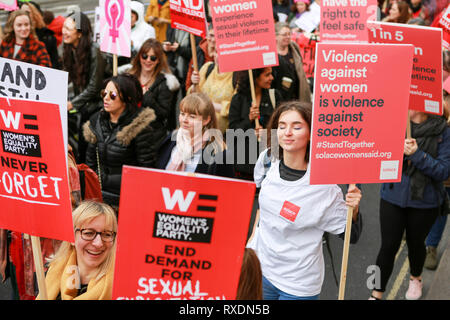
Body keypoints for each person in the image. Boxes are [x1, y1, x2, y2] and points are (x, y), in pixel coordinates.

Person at [247, 101, 362, 300]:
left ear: (311, 133)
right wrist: (251, 242)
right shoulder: (267, 160)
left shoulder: (324, 186)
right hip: (261, 270)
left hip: (298, 285)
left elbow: (352, 235)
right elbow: (262, 206)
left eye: (296, 127)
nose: (287, 132)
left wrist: (354, 209)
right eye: (282, 126)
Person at [370, 109, 450, 300]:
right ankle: (375, 293)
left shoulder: (443, 131)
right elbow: (378, 155)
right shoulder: (394, 123)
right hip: (392, 196)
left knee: (416, 244)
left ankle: (416, 278)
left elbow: (443, 171)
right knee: (388, 246)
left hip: (425, 201)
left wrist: (416, 154)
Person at [83, 74, 165, 208]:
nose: (106, 98)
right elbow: (90, 162)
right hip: (98, 197)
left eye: (113, 95)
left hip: (126, 200)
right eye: (104, 93)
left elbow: (145, 172)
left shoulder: (140, 128)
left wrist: (108, 180)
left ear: (127, 98)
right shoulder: (96, 120)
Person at [37, 201, 118, 300]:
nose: (98, 243)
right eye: (88, 233)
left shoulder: (122, 286)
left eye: (107, 234)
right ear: (72, 237)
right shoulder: (54, 272)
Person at [157, 92, 234, 178]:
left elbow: (227, 187)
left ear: (206, 120)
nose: (184, 120)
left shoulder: (219, 154)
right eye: (182, 114)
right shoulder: (171, 140)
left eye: (192, 116)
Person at [63, 11, 106, 163]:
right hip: (82, 107)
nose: (64, 32)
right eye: (64, 27)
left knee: (87, 149)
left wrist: (72, 103)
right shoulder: (69, 49)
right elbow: (66, 76)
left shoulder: (95, 51)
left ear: (80, 33)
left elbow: (94, 86)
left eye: (68, 28)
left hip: (96, 108)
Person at [229, 67, 282, 181]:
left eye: (271, 74)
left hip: (268, 164)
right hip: (243, 165)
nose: (271, 78)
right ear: (255, 78)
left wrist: (266, 133)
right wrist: (249, 120)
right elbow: (232, 133)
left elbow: (281, 126)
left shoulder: (274, 96)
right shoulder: (238, 99)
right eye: (267, 75)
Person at [128, 38, 180, 131]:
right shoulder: (129, 77)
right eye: (144, 56)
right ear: (139, 57)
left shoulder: (164, 83)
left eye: (153, 58)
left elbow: (163, 114)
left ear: (158, 60)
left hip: (150, 133)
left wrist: (147, 97)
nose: (148, 60)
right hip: (126, 128)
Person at [190, 50, 235, 134]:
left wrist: (208, 105)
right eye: (217, 52)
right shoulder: (207, 68)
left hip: (223, 136)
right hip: (198, 131)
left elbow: (235, 109)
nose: (219, 56)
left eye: (223, 52)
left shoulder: (237, 76)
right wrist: (193, 85)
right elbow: (193, 96)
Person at [272, 22, 312, 103]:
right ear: (275, 36)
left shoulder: (294, 47)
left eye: (289, 34)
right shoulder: (271, 54)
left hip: (296, 94)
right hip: (279, 96)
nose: (288, 37)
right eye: (284, 34)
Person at [19, 1, 60, 69]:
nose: (23, 16)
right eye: (20, 13)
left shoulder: (48, 37)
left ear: (35, 14)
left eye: (27, 13)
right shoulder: (14, 37)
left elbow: (54, 64)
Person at [185, 23, 215, 92]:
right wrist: (192, 86)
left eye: (217, 36)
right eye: (211, 35)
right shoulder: (198, 51)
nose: (213, 40)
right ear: (206, 35)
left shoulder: (223, 55)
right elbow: (189, 80)